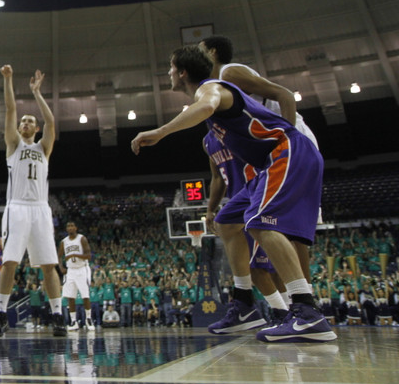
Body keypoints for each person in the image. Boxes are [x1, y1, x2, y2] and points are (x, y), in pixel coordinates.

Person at [131, 45, 335, 342]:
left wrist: (160, 132)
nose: (169, 73)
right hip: (265, 164)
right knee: (227, 222)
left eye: (171, 68)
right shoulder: (212, 118)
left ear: (182, 71)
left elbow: (205, 106)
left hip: (286, 151)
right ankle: (244, 306)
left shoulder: (212, 87)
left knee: (261, 223)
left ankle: (306, 312)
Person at [199, 34, 320, 283]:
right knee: (272, 227)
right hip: (276, 152)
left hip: (292, 144)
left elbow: (284, 94)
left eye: (198, 50)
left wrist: (288, 140)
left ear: (212, 53)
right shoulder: (218, 87)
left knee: (277, 228)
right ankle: (297, 304)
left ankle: (305, 305)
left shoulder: (228, 74)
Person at [0, 65, 65, 338]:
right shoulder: (14, 145)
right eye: (23, 121)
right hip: (17, 207)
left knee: (49, 265)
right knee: (9, 261)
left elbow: (52, 123)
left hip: (41, 210)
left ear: (35, 128)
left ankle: (58, 316)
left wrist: (37, 93)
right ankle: (0, 314)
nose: (25, 123)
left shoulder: (43, 148)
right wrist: (8, 79)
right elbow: (10, 110)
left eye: (29, 121)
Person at [204, 130, 290, 334]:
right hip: (238, 204)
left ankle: (284, 313)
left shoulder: (236, 128)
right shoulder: (207, 141)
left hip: (259, 196)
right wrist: (210, 208)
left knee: (261, 267)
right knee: (257, 266)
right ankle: (283, 312)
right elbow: (217, 177)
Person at [59, 221, 94, 331]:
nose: (70, 228)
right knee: (70, 296)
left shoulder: (81, 239)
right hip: (71, 270)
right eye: (68, 226)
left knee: (85, 295)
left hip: (82, 269)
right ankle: (73, 321)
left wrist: (75, 254)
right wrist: (61, 268)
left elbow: (88, 256)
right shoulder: (64, 242)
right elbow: (59, 256)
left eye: (72, 226)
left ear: (76, 228)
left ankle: (88, 319)